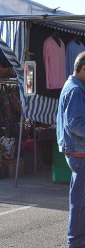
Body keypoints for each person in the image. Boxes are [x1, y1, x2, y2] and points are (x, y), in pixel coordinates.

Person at [57, 51, 85, 248]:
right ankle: (75, 241)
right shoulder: (75, 90)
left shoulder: (71, 86)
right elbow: (75, 123)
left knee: (79, 198)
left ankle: (76, 240)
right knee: (79, 201)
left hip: (75, 150)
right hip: (79, 151)